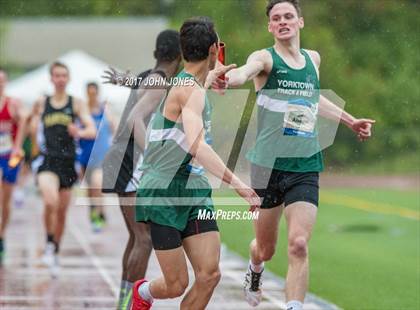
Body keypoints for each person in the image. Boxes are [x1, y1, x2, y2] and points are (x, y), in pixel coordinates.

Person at [224, 1, 375, 309]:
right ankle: (255, 269)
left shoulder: (312, 60)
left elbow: (313, 99)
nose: (283, 21)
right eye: (276, 18)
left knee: (299, 244)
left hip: (305, 163)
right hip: (266, 166)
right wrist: (228, 79)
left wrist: (350, 121)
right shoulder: (265, 59)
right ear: (270, 27)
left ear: (300, 22)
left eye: (288, 16)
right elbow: (242, 74)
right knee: (266, 249)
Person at [130, 17, 260, 310]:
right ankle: (144, 293)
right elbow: (197, 145)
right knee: (176, 285)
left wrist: (212, 77)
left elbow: (196, 90)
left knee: (210, 274)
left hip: (194, 189)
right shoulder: (189, 90)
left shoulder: (194, 86)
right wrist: (239, 184)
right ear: (214, 49)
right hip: (163, 191)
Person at [101, 30, 182, 308]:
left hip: (120, 159)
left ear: (156, 54)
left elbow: (137, 83)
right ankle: (127, 303)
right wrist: (153, 156)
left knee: (137, 236)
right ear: (180, 55)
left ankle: (123, 300)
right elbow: (136, 118)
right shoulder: (159, 81)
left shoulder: (153, 75)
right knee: (144, 238)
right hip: (129, 161)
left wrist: (122, 79)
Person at [31, 61, 96, 274]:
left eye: (63, 75)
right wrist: (23, 142)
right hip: (48, 160)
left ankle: (55, 250)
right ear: (51, 78)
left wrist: (78, 131)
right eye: (56, 75)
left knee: (61, 212)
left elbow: (91, 130)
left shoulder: (76, 103)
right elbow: (26, 120)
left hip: (68, 163)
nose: (60, 79)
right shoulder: (42, 102)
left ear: (68, 79)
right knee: (51, 200)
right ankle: (49, 242)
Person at [77, 82, 116, 232]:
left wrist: (108, 110)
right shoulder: (82, 110)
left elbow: (114, 127)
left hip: (102, 155)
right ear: (87, 93)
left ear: (97, 93)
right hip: (86, 156)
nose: (92, 96)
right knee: (89, 190)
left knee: (97, 185)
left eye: (94, 93)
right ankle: (95, 213)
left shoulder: (104, 109)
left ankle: (99, 215)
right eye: (90, 93)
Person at [0, 68, 28, 264]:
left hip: (10, 155)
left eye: (2, 80)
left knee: (5, 200)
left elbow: (25, 119)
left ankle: (2, 236)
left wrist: (18, 145)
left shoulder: (13, 103)